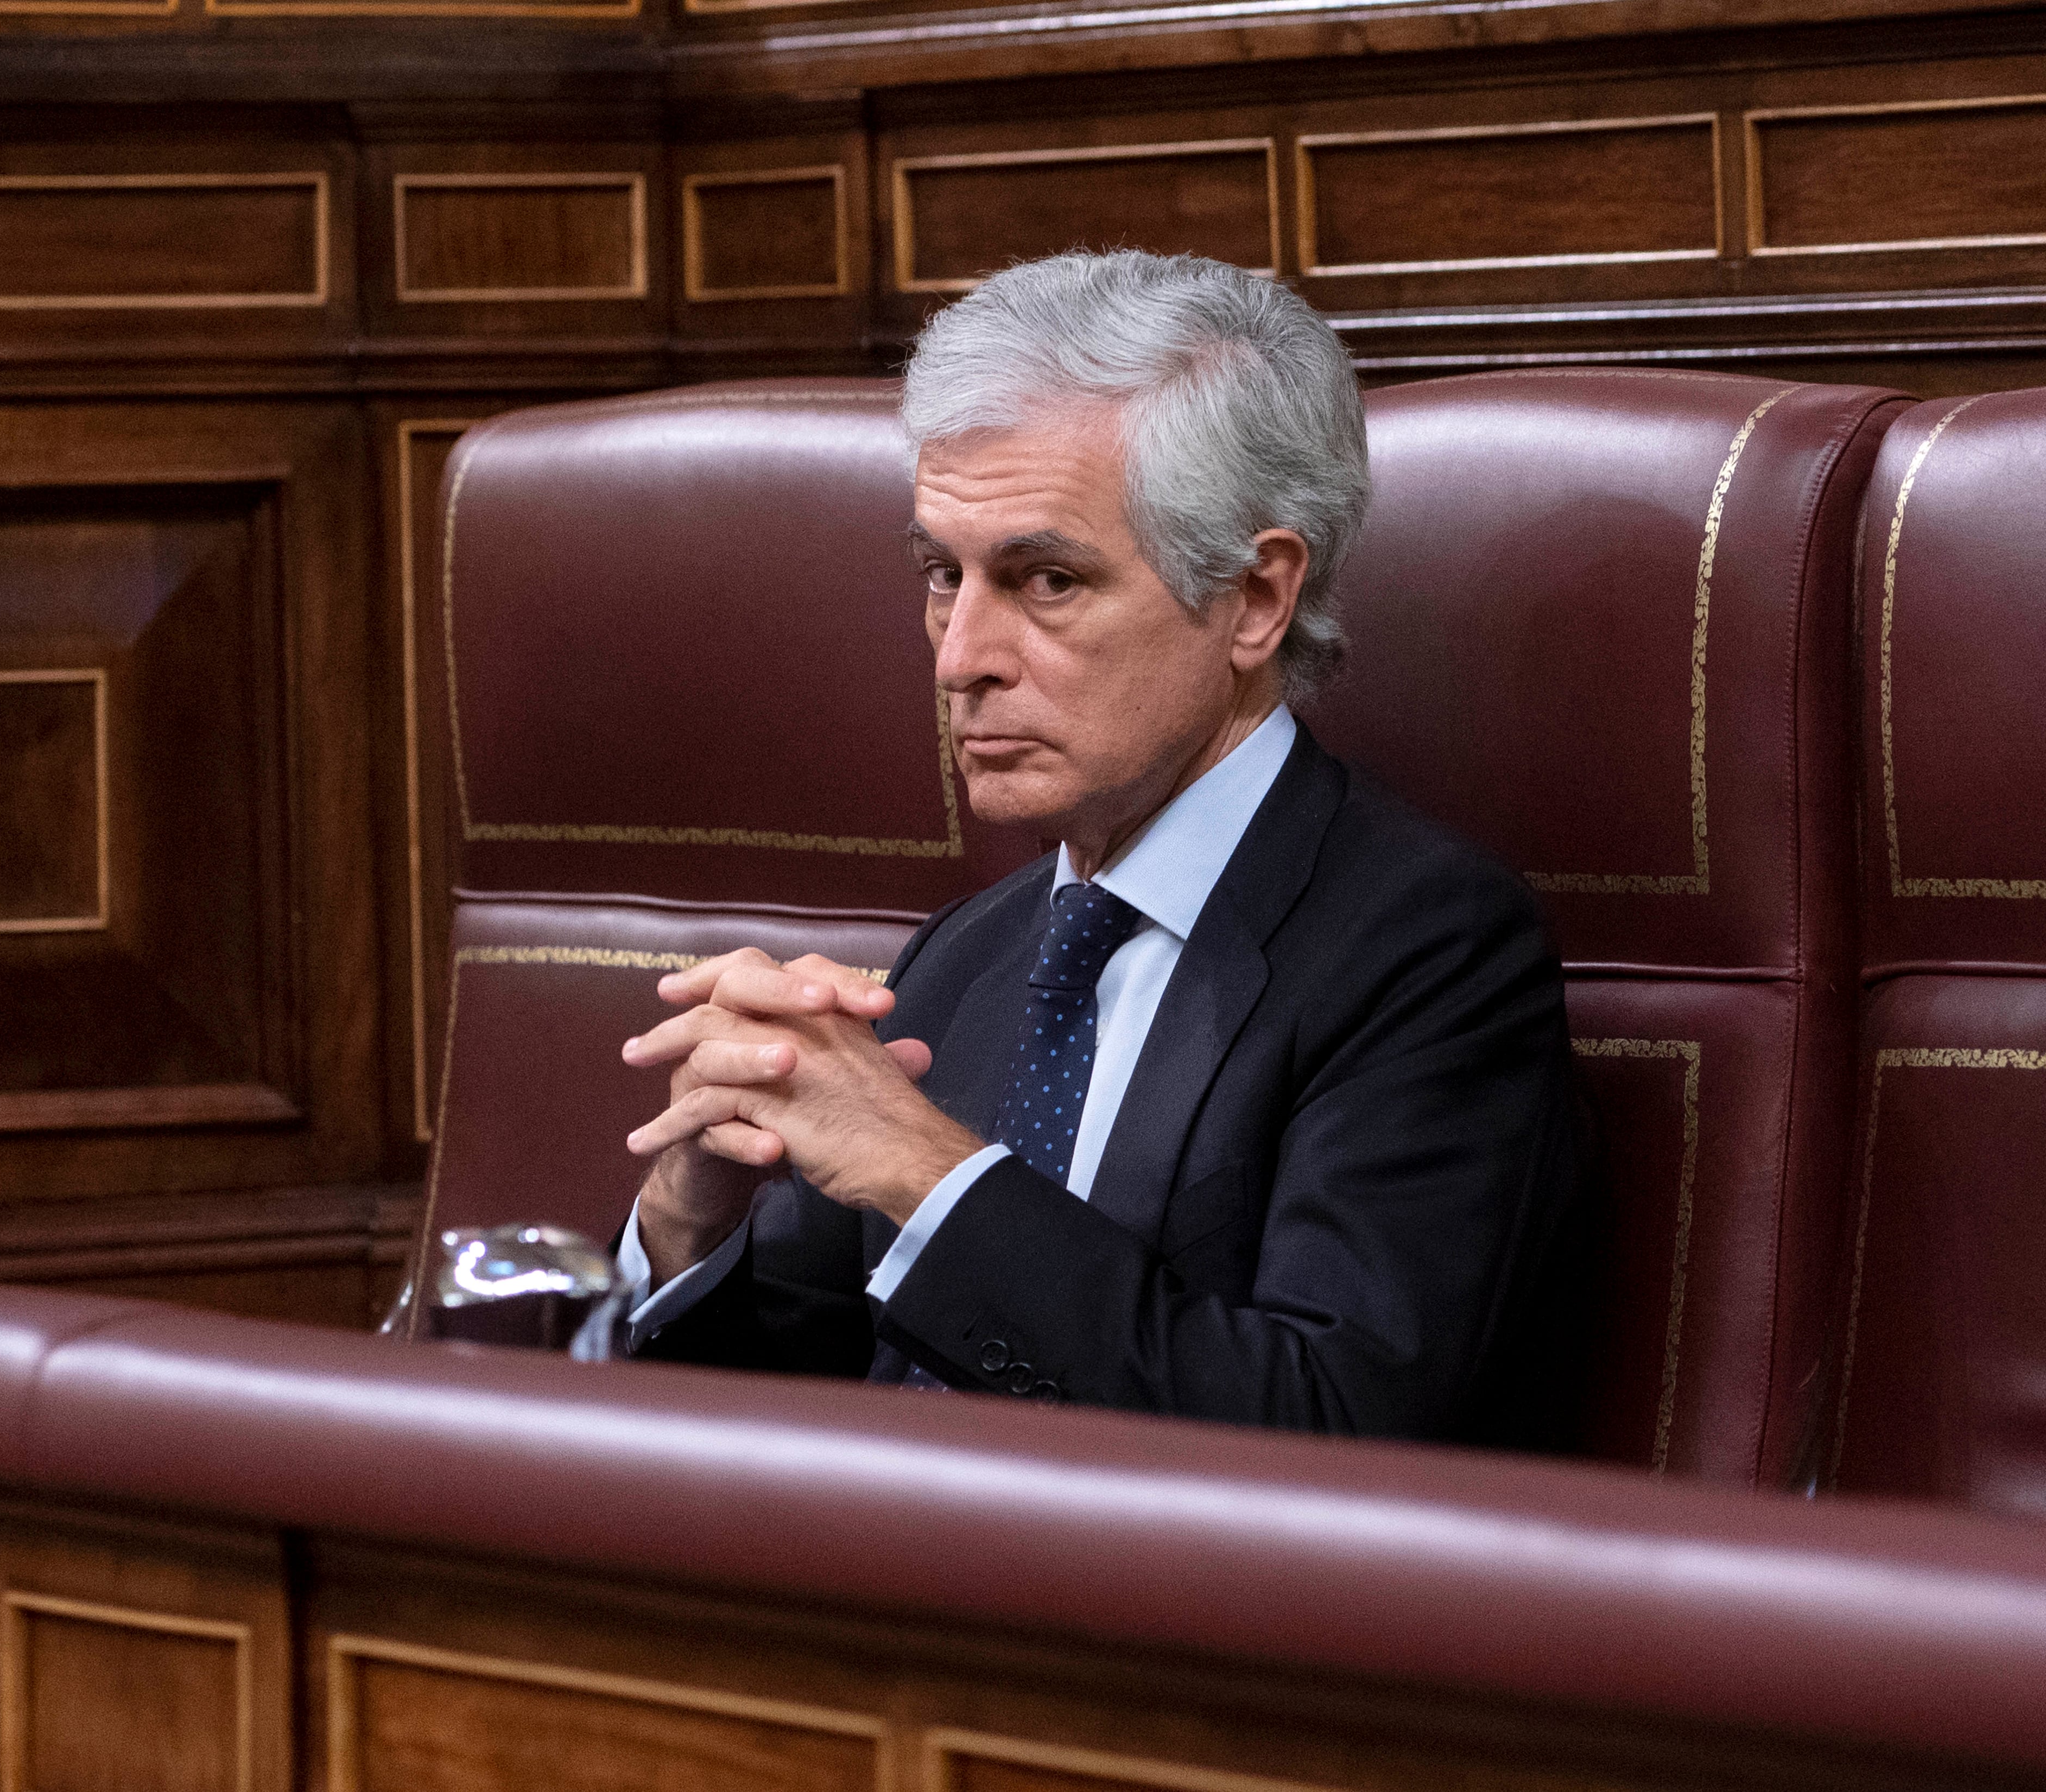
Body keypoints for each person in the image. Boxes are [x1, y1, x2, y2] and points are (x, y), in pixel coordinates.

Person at [593, 249, 1591, 1446]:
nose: (960, 655)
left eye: (1045, 579)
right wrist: (684, 1219)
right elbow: (764, 1416)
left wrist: (929, 1174)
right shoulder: (966, 956)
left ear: (1255, 598)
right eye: (939, 576)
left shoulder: (1424, 950)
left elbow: (1327, 1430)